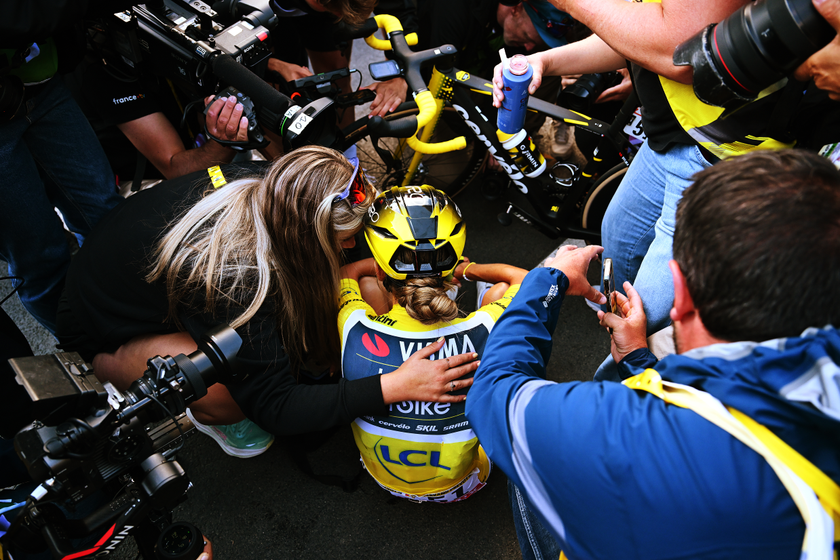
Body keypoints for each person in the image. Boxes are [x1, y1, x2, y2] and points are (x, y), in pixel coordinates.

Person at [465, 149, 840, 559]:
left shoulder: (621, 432)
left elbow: (493, 391)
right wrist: (639, 359)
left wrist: (546, 279)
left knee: (525, 461)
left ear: (680, 292)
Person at [55, 147, 479, 458]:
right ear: (307, 237)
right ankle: (214, 419)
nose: (351, 244)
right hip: (108, 330)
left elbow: (344, 259)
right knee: (225, 392)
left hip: (162, 271)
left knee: (364, 282)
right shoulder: (233, 278)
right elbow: (277, 406)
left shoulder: (284, 185)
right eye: (344, 239)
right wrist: (395, 386)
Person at [490, 0, 840, 356]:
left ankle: (621, 386)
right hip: (670, 137)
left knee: (648, 315)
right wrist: (546, 62)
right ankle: (614, 329)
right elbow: (637, 31)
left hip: (723, 162)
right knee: (617, 239)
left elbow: (677, 52)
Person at [338, 185, 527, 502]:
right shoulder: (481, 327)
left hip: (380, 477)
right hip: (463, 484)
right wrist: (465, 269)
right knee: (497, 296)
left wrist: (384, 266)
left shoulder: (355, 325)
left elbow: (347, 272)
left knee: (366, 287)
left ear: (385, 265)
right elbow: (522, 279)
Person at [0, 2, 127, 334]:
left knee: (106, 214)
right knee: (39, 256)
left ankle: (130, 317)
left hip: (43, 85)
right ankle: (85, 348)